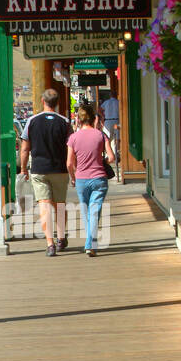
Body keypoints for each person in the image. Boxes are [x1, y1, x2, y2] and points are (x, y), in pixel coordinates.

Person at [19, 88, 71, 257]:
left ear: (43, 101)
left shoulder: (32, 121)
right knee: (60, 205)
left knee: (44, 206)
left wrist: (23, 168)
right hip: (60, 169)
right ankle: (61, 237)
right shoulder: (65, 122)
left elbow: (25, 148)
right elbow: (71, 147)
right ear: (57, 103)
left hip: (39, 169)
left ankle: (50, 243)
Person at [67, 103, 114, 257]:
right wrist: (103, 162)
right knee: (94, 211)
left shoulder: (73, 138)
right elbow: (112, 157)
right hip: (99, 177)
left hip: (81, 179)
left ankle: (90, 243)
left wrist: (73, 177)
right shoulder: (101, 135)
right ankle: (90, 244)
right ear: (94, 118)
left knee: (87, 211)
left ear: (79, 121)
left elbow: (69, 163)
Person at [101, 88, 121, 180]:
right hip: (117, 120)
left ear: (110, 95)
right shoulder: (118, 102)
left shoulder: (106, 102)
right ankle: (115, 154)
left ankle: (109, 155)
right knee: (117, 139)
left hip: (108, 121)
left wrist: (103, 116)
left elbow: (99, 108)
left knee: (107, 139)